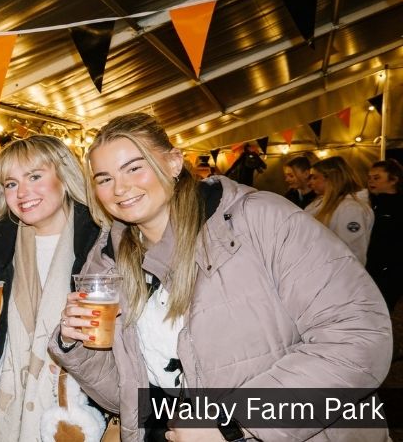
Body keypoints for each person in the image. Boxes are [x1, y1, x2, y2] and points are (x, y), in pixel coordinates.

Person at [53, 113, 390, 441]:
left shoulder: (260, 220)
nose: (120, 188)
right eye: (104, 178)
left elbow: (358, 338)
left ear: (173, 163)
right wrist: (76, 345)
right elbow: (127, 400)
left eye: (135, 168)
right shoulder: (108, 260)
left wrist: (231, 423)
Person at [0, 135, 104, 441]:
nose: (22, 192)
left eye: (34, 176)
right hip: (1, 409)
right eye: (10, 183)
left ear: (64, 176)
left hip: (79, 408)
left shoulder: (101, 247)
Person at [305, 156, 374, 264]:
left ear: (331, 178)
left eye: (314, 177)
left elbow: (352, 252)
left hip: (337, 275)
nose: (310, 183)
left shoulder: (351, 209)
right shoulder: (319, 203)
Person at [366, 158, 403, 308]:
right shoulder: (374, 203)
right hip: (374, 270)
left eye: (376, 178)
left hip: (389, 273)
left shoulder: (397, 206)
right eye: (369, 178)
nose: (371, 182)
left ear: (393, 180)